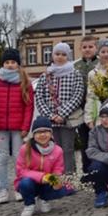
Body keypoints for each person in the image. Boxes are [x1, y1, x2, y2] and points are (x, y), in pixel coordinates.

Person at [0, 48, 34, 204]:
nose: (10, 64)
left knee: (18, 158)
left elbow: (29, 106)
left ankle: (19, 188)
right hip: (0, 127)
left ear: (18, 64)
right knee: (2, 158)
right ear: (3, 64)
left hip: (18, 128)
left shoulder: (24, 82)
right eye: (7, 62)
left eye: (13, 62)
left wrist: (25, 127)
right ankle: (3, 190)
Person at [34, 42, 84, 175]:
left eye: (63, 54)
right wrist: (51, 116)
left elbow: (77, 96)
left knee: (67, 148)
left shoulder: (75, 74)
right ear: (53, 55)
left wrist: (62, 114)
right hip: (50, 121)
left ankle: (70, 176)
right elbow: (39, 98)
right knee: (53, 149)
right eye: (57, 54)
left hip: (67, 119)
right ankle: (57, 176)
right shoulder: (45, 76)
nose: (60, 57)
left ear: (68, 56)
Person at [14, 117, 68, 216]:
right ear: (33, 135)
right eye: (39, 132)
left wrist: (56, 179)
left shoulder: (58, 150)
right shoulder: (25, 149)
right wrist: (42, 176)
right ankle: (29, 204)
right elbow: (21, 171)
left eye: (46, 131)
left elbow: (58, 169)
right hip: (30, 182)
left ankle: (44, 199)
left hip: (47, 182)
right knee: (25, 183)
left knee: (64, 189)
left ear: (51, 133)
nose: (42, 135)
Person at [74, 35, 98, 173]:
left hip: (97, 109)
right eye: (84, 47)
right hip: (81, 109)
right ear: (80, 49)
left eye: (90, 47)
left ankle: (98, 170)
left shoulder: (100, 64)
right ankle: (87, 171)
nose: (87, 49)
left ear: (96, 48)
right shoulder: (76, 66)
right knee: (85, 141)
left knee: (98, 141)